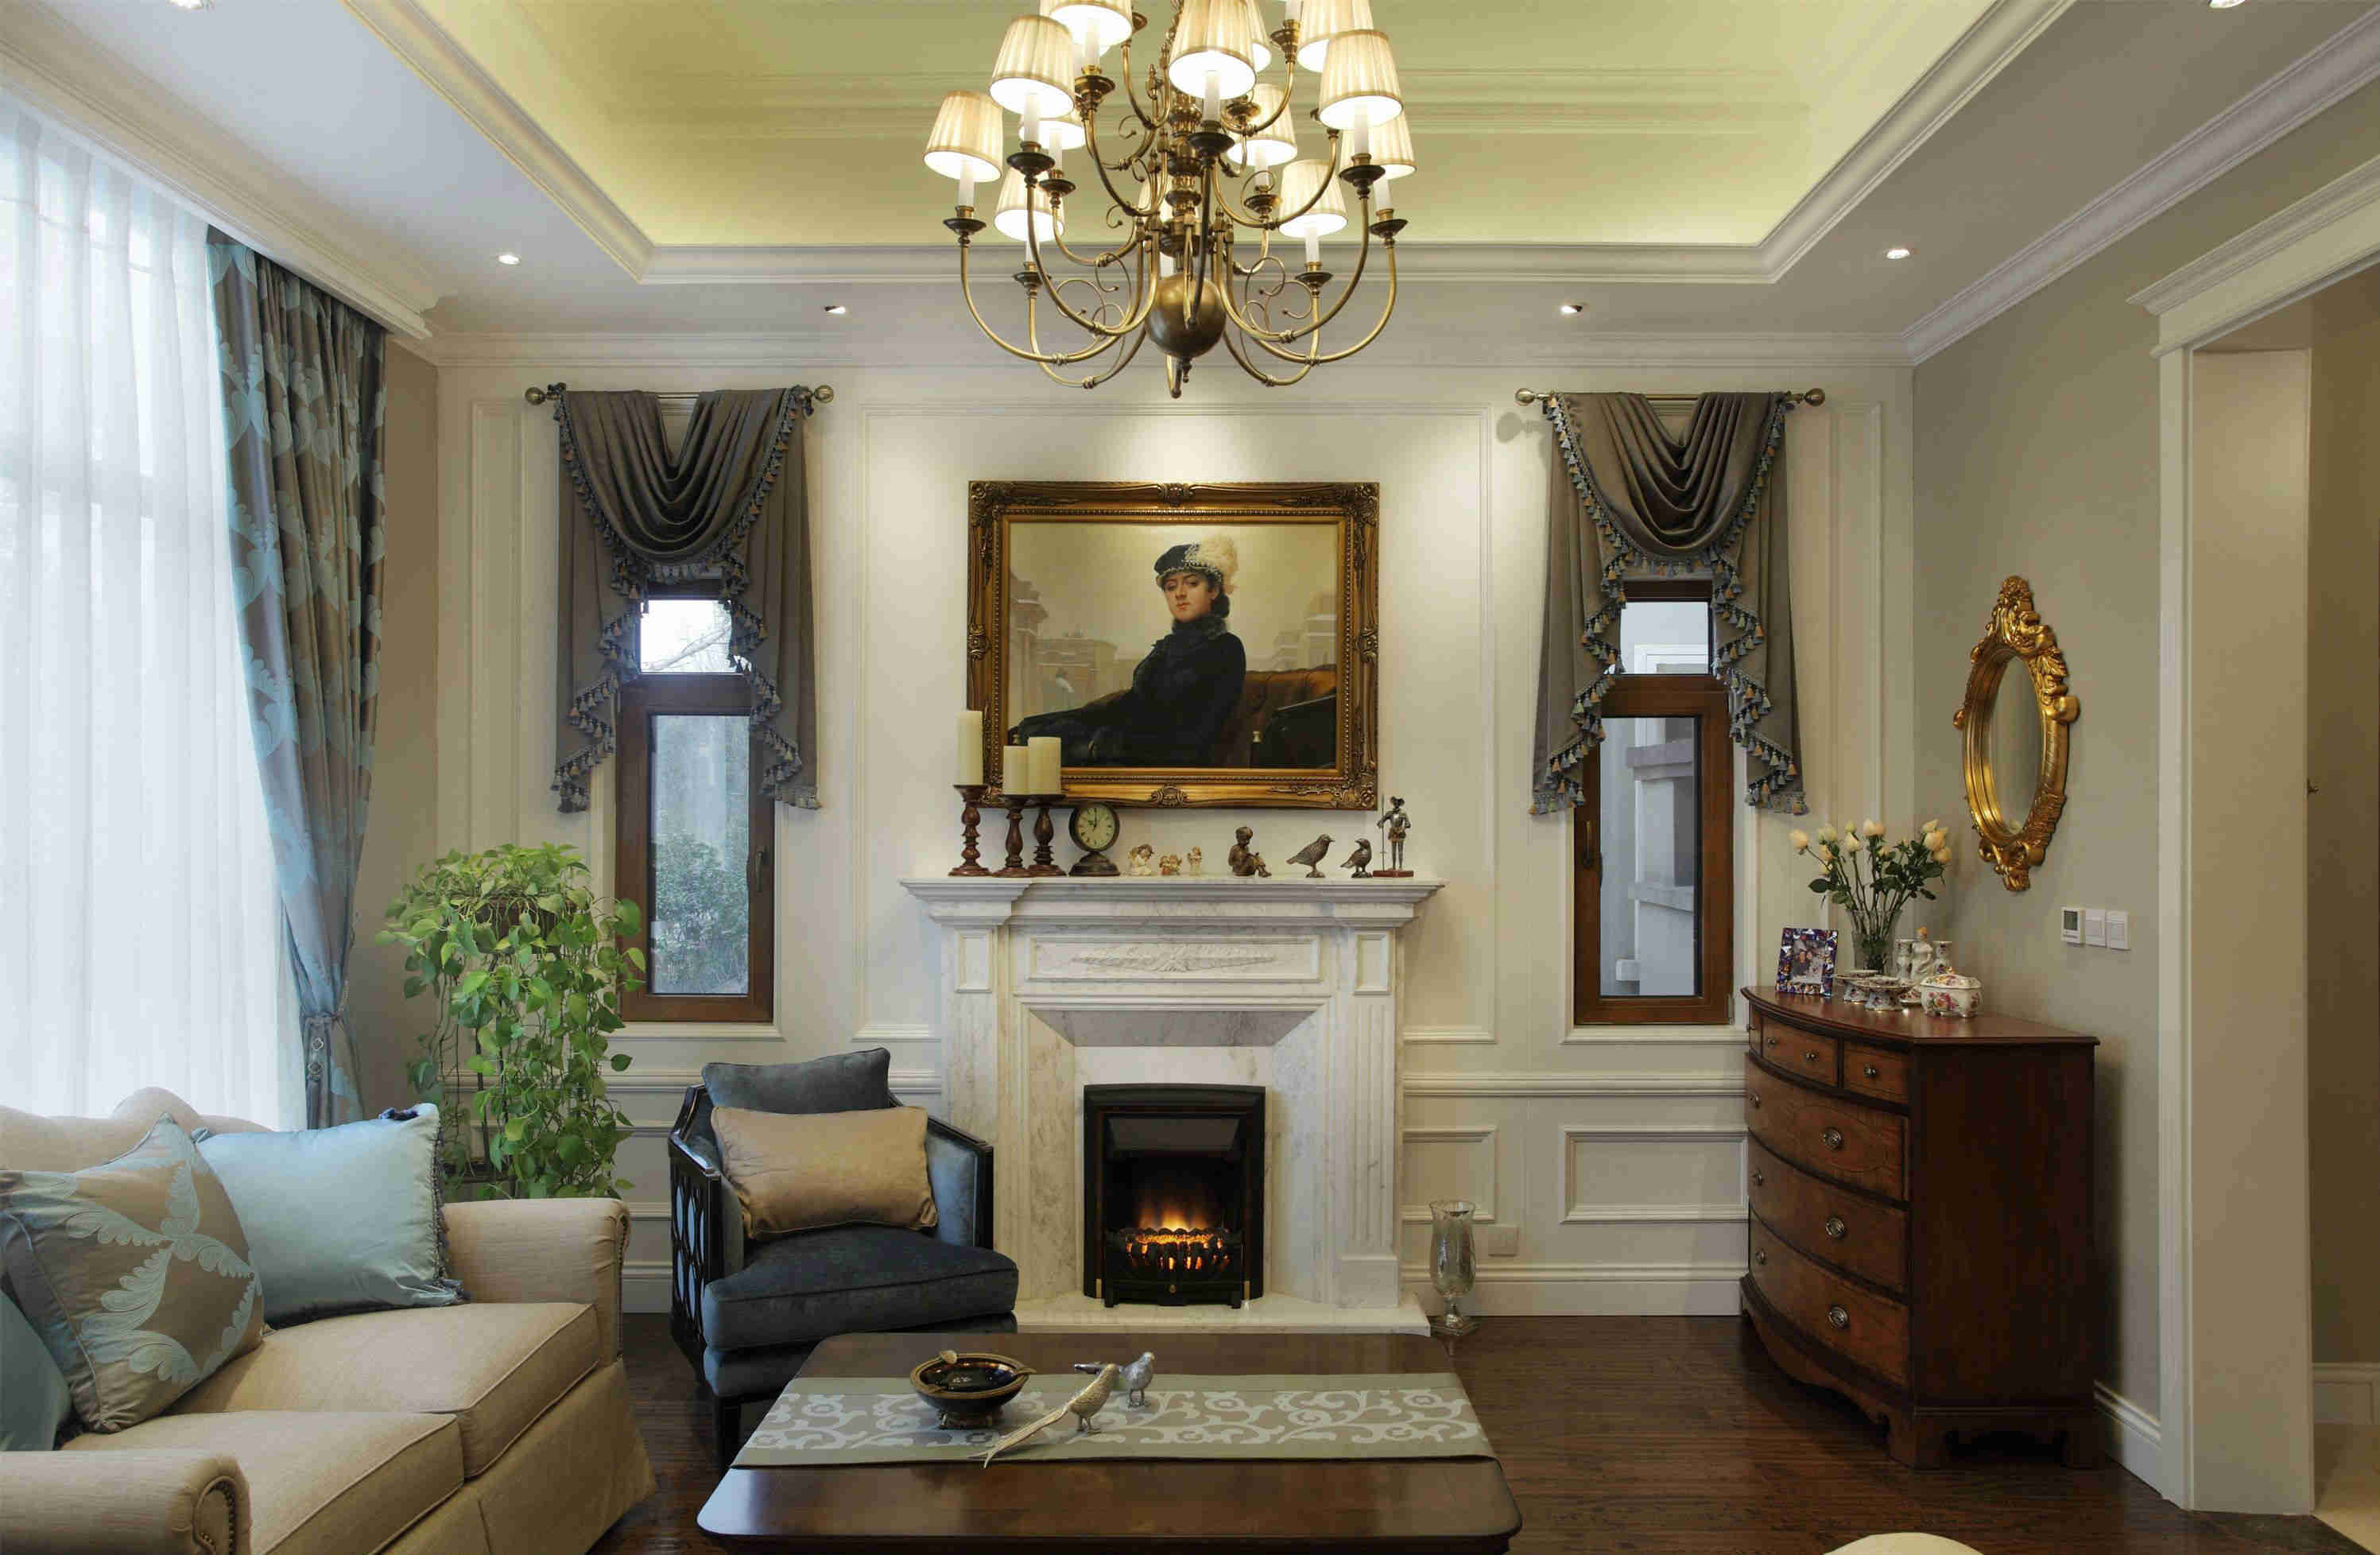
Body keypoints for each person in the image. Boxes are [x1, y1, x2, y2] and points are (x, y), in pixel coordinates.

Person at [1012, 536, 1248, 766]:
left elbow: (1197, 735)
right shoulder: (1165, 649)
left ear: (1213, 590)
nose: (1180, 594)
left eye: (1192, 583)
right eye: (1170, 587)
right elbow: (1130, 706)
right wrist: (1054, 723)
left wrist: (1099, 745)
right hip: (1127, 751)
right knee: (1032, 733)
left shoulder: (1226, 648)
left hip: (1167, 765)